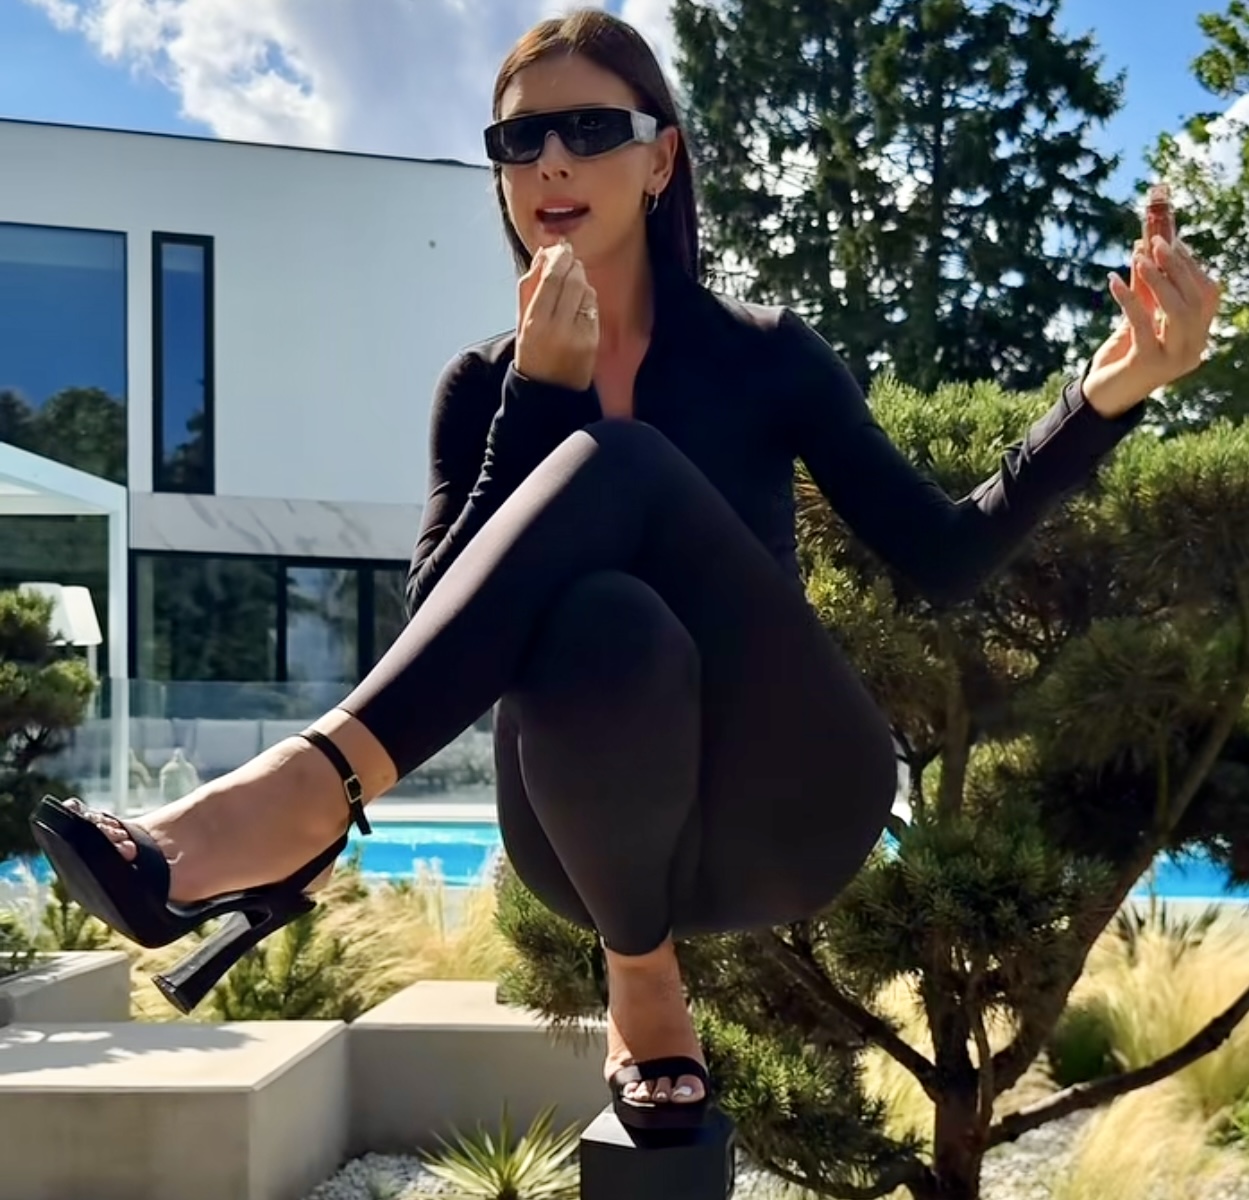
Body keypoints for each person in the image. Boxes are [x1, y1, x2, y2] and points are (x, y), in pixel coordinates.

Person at [30, 7, 1219, 1134]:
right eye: (520, 140)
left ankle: (300, 801)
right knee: (602, 615)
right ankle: (637, 972)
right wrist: (538, 402)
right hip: (584, 835)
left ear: (660, 161)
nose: (552, 160)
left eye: (591, 129)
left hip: (792, 800)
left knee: (628, 461)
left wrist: (1110, 391)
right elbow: (450, 629)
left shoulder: (765, 357)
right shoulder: (483, 387)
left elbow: (946, 558)